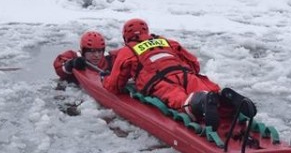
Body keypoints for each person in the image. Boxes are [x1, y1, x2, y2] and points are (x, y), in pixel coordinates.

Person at [101, 18, 255, 131]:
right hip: (184, 73)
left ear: (126, 37)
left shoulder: (128, 50)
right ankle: (224, 99)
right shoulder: (166, 41)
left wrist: (105, 79)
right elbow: (194, 63)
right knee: (206, 92)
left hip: (159, 81)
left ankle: (198, 103)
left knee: (178, 97)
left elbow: (115, 85)